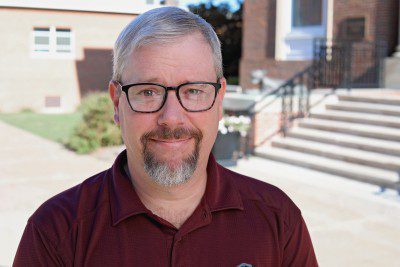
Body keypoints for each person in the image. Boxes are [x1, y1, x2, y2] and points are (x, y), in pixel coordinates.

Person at [14, 6, 318, 266]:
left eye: (194, 91)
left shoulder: (278, 219)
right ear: (117, 103)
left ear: (220, 99)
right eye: (148, 91)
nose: (171, 117)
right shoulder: (55, 232)